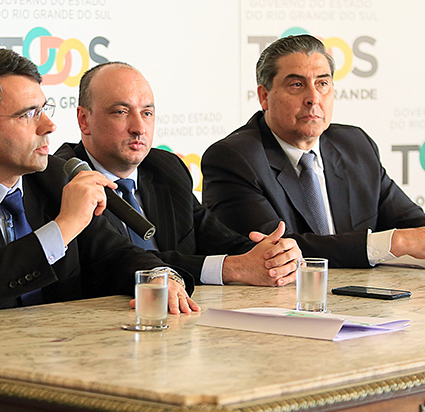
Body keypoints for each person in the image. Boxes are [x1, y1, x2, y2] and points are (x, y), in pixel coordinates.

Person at [0, 47, 198, 313]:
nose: (49, 125)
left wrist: (159, 275)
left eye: (45, 109)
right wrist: (64, 226)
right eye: (29, 114)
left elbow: (114, 255)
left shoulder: (52, 176)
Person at [202, 34, 425, 268]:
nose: (313, 98)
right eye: (297, 85)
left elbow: (409, 221)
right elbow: (275, 251)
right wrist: (395, 242)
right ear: (264, 96)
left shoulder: (355, 145)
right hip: (282, 307)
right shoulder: (234, 158)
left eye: (322, 83)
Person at [54, 62, 300, 286]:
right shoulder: (61, 178)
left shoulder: (165, 168)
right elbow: (120, 262)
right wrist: (231, 268)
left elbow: (216, 237)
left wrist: (273, 256)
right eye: (121, 112)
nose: (139, 128)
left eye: (147, 113)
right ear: (84, 120)